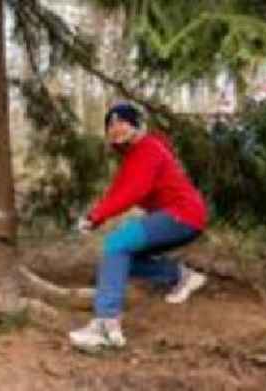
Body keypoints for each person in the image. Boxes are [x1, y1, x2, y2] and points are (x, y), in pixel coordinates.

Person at [69, 102, 208, 351]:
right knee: (121, 258)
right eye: (110, 125)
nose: (115, 129)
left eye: (122, 122)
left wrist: (97, 216)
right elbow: (117, 192)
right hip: (181, 218)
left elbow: (134, 191)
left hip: (182, 214)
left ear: (137, 126)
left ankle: (106, 324)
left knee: (116, 244)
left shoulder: (149, 148)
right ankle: (182, 276)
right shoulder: (133, 158)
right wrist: (93, 217)